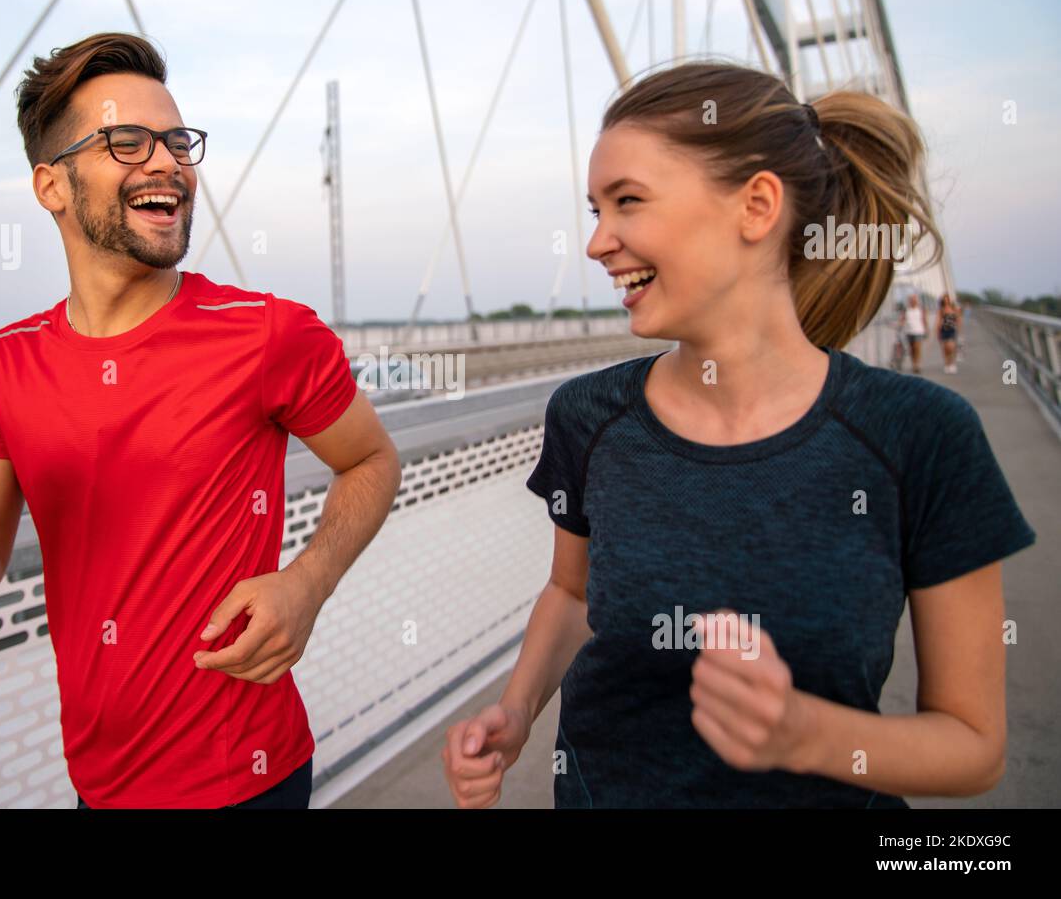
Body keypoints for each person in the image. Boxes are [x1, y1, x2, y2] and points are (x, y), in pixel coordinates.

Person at [441, 62, 1035, 808]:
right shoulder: (587, 416)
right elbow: (570, 590)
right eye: (594, 210)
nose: (596, 242)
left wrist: (802, 734)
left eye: (627, 202)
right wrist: (517, 710)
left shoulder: (922, 436)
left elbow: (974, 746)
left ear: (756, 206)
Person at [0, 33, 403, 809]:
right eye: (126, 142)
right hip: (97, 787)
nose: (166, 162)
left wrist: (307, 583)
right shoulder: (3, 366)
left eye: (175, 141)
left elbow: (372, 460)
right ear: (52, 185)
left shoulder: (269, 333)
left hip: (249, 781)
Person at [903, 292, 928, 373]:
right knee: (912, 349)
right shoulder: (907, 310)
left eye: (914, 299)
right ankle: (913, 364)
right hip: (909, 331)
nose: (913, 301)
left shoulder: (920, 310)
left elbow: (924, 320)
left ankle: (917, 364)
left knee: (917, 348)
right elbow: (903, 319)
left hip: (918, 331)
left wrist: (926, 329)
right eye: (911, 300)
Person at [938, 293, 963, 373]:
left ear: (949, 300)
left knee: (951, 347)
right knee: (945, 349)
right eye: (944, 299)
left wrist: (959, 330)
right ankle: (947, 364)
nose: (945, 300)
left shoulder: (954, 308)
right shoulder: (941, 309)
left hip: (952, 330)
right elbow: (938, 321)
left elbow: (958, 319)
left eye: (947, 299)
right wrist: (937, 331)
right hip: (944, 330)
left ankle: (952, 364)